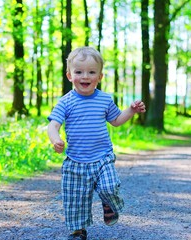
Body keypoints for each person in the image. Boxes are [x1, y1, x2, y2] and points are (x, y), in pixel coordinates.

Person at [47, 46, 146, 240]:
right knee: (75, 200)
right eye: (79, 72)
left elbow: (116, 120)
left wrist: (131, 111)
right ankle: (78, 231)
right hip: (75, 161)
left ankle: (109, 202)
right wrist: (56, 139)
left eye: (91, 72)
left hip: (102, 157)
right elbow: (52, 125)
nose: (85, 76)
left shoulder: (104, 99)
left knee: (109, 187)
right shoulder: (65, 102)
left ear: (99, 77)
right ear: (69, 75)